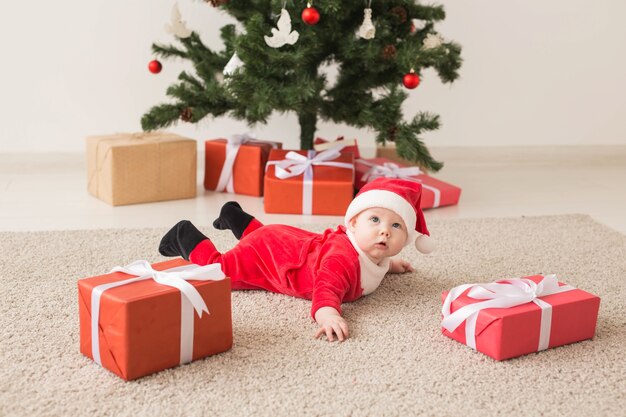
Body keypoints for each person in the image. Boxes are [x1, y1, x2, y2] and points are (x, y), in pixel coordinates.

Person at [158, 177, 434, 342]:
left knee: (264, 235)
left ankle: (234, 217)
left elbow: (376, 259)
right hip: (274, 258)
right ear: (352, 222)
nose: (384, 230)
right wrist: (328, 314)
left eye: (396, 226)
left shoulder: (372, 250)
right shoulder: (342, 260)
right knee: (222, 273)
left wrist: (391, 266)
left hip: (281, 240)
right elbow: (326, 288)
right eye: (374, 220)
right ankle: (185, 236)